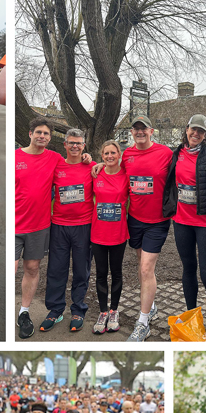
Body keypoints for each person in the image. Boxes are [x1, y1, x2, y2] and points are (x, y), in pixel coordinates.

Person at [106, 116, 173, 342]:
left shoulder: (165, 153)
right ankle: (151, 305)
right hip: (134, 218)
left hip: (158, 221)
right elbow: (115, 171)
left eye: (143, 128)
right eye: (136, 129)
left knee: (146, 269)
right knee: (141, 265)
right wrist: (96, 164)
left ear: (151, 131)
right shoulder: (128, 155)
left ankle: (143, 322)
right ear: (132, 133)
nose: (140, 132)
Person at [163, 115, 206, 340]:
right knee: (188, 269)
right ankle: (192, 317)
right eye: (193, 129)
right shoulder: (176, 153)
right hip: (181, 221)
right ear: (187, 129)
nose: (196, 134)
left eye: (201, 131)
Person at [16, 118, 64, 339]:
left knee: (32, 268)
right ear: (30, 134)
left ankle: (24, 312)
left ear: (50, 137)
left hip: (39, 226)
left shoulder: (54, 158)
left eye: (46, 134)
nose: (42, 136)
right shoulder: (15, 157)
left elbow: (74, 167)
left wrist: (91, 160)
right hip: (15, 226)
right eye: (38, 132)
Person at [42, 129, 94, 333]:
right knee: (56, 269)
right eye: (71, 143)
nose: (75, 146)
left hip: (83, 225)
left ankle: (78, 310)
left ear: (84, 146)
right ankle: (55, 310)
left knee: (82, 270)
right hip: (59, 226)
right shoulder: (56, 165)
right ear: (64, 144)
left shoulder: (92, 166)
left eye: (79, 143)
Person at [91, 140, 130, 334]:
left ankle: (114, 310)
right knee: (100, 273)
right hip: (98, 232)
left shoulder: (126, 175)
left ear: (119, 154)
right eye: (106, 154)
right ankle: (103, 312)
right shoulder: (95, 173)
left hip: (118, 232)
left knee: (116, 273)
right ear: (102, 156)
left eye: (113, 153)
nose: (109, 156)